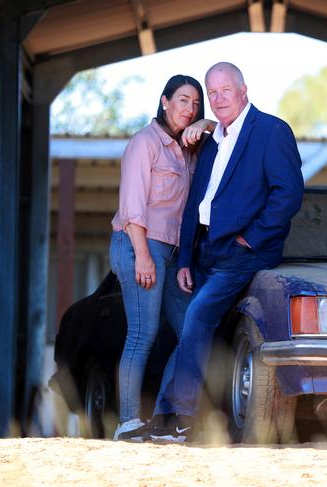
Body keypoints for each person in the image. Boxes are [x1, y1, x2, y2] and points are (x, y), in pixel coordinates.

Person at [128, 62, 304, 443]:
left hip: (245, 253)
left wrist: (251, 238)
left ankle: (183, 419)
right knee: (192, 326)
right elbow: (197, 200)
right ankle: (166, 417)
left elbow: (288, 194)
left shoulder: (271, 131)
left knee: (197, 318)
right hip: (206, 251)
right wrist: (187, 259)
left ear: (244, 90)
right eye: (214, 92)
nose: (219, 98)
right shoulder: (212, 140)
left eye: (226, 89)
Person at [109, 74, 216, 441]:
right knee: (143, 334)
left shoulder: (188, 146)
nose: (189, 109)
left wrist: (204, 123)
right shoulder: (145, 143)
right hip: (138, 244)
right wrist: (142, 257)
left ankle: (164, 415)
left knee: (192, 329)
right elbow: (132, 207)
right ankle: (127, 422)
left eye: (196, 104)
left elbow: (224, 130)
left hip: (171, 252)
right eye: (183, 101)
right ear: (164, 101)